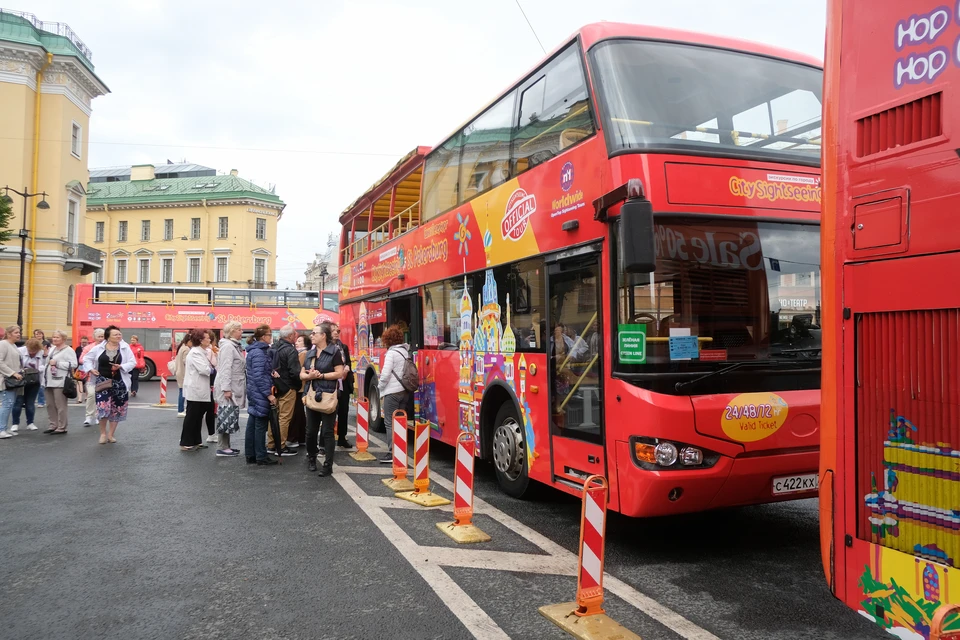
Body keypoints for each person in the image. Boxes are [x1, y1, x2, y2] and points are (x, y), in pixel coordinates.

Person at [301, 322, 344, 477]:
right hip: (312, 394)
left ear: (323, 335)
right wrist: (310, 376)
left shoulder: (334, 352)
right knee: (311, 431)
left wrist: (323, 376)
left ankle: (328, 465)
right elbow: (302, 375)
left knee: (327, 431)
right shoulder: (309, 353)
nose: (311, 335)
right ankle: (312, 458)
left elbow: (339, 373)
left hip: (328, 395)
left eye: (314, 333)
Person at [84, 325, 135, 444]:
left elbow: (132, 362)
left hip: (119, 382)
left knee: (116, 409)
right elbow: (87, 359)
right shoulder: (99, 348)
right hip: (103, 380)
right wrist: (91, 369)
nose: (118, 336)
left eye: (119, 334)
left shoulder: (125, 347)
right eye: (115, 334)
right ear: (108, 337)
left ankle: (111, 434)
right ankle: (102, 433)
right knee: (103, 407)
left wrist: (121, 366)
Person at [377, 325, 410, 464]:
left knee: (389, 422)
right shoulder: (405, 352)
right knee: (401, 422)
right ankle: (401, 451)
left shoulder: (391, 353)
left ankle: (392, 452)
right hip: (404, 391)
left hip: (392, 392)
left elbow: (385, 375)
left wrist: (379, 387)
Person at [244, 324, 277, 466]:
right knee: (260, 424)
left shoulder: (255, 351)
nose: (271, 337)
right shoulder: (259, 352)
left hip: (254, 391)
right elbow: (259, 377)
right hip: (260, 393)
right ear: (263, 337)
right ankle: (261, 456)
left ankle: (251, 455)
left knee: (253, 423)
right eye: (270, 334)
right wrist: (268, 394)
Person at [179, 329, 215, 452]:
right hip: (195, 389)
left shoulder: (202, 352)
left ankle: (196, 440)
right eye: (207, 338)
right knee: (192, 416)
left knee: (198, 416)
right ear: (200, 340)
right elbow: (204, 370)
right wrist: (212, 370)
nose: (209, 339)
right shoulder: (195, 353)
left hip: (201, 389)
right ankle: (185, 442)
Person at [213, 321, 245, 457]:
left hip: (232, 385)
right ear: (232, 331)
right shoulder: (228, 347)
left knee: (228, 415)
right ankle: (222, 447)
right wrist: (226, 388)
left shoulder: (232, 346)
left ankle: (226, 446)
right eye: (240, 329)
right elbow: (225, 369)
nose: (242, 332)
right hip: (228, 386)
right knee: (226, 415)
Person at [268, 325, 301, 457]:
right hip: (288, 387)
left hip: (274, 387)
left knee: (274, 416)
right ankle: (280, 446)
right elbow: (295, 372)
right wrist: (297, 386)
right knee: (284, 418)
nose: (296, 336)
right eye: (294, 334)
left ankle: (270, 444)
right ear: (290, 336)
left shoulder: (273, 347)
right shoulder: (291, 350)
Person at [43, 329, 78, 435]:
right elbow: (47, 363)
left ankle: (62, 426)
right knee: (50, 404)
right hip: (48, 381)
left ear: (63, 339)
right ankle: (53, 424)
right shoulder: (52, 349)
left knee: (60, 405)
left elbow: (73, 364)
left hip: (60, 381)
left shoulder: (69, 350)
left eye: (57, 337)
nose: (54, 339)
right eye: (53, 337)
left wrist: (57, 363)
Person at [11, 338, 47, 431]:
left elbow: (45, 366)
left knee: (30, 403)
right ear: (27, 347)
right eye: (30, 350)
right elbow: (14, 364)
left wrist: (38, 369)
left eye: (35, 351)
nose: (32, 353)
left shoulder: (42, 353)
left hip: (35, 381)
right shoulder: (19, 351)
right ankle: (15, 423)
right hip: (21, 381)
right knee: (18, 402)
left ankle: (30, 423)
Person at [331, 323, 354, 448]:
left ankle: (342, 437)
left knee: (344, 411)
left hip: (343, 383)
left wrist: (347, 368)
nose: (336, 333)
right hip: (331, 384)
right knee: (330, 412)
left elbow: (348, 361)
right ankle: (324, 443)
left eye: (338, 331)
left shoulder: (343, 347)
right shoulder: (326, 348)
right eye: (333, 330)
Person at [0, 326, 24, 439]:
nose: (18, 334)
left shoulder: (13, 345)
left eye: (19, 332)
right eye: (16, 332)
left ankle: (4, 427)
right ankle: (1, 429)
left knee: (10, 404)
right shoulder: (3, 344)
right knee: (7, 404)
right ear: (9, 334)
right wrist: (13, 373)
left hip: (14, 380)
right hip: (5, 379)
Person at [289, 333, 310, 450]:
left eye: (300, 341)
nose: (297, 342)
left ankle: (295, 438)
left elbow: (298, 370)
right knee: (300, 413)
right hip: (301, 387)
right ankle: (302, 438)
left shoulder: (303, 354)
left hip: (300, 387)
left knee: (297, 413)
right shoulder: (300, 353)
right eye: (297, 340)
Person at [79, 329, 105, 425]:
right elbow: (81, 359)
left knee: (102, 396)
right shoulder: (89, 347)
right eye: (99, 336)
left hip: (104, 376)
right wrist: (91, 363)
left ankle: (99, 416)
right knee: (91, 395)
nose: (101, 339)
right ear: (94, 338)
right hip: (91, 375)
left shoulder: (108, 347)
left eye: (103, 336)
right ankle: (89, 416)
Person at [173, 334, 192, 418]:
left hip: (180, 373)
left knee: (181, 392)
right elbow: (186, 362)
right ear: (188, 341)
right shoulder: (186, 349)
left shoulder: (182, 347)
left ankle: (180, 410)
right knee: (183, 392)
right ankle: (181, 410)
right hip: (184, 374)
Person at [74, 335, 89, 405]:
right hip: (80, 368)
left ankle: (86, 397)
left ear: (87, 342)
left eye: (85, 342)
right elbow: (76, 358)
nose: (84, 343)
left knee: (87, 383)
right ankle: (80, 398)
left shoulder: (90, 348)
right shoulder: (78, 349)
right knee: (79, 383)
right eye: (82, 342)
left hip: (88, 367)